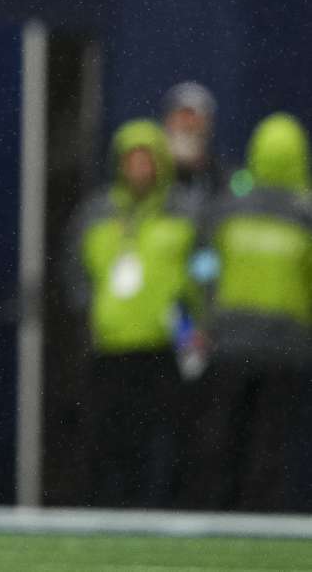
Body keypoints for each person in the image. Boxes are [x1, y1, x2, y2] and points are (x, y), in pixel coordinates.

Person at [177, 113, 312, 511]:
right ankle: (258, 521)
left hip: (229, 344)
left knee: (220, 440)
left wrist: (200, 323)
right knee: (269, 446)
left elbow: (201, 269)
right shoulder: (304, 216)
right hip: (286, 350)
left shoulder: (226, 208)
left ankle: (216, 521)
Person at [65, 119, 201, 508]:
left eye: (147, 160)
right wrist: (90, 309)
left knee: (162, 442)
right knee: (108, 440)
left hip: (162, 349)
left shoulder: (184, 214)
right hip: (110, 349)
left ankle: (158, 511)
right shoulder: (97, 214)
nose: (140, 169)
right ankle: (105, 512)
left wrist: (195, 323)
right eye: (132, 160)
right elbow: (73, 267)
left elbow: (201, 272)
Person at [162, 81, 225, 208]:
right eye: (182, 116)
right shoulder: (149, 174)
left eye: (196, 118)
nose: (188, 125)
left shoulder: (221, 179)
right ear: (167, 122)